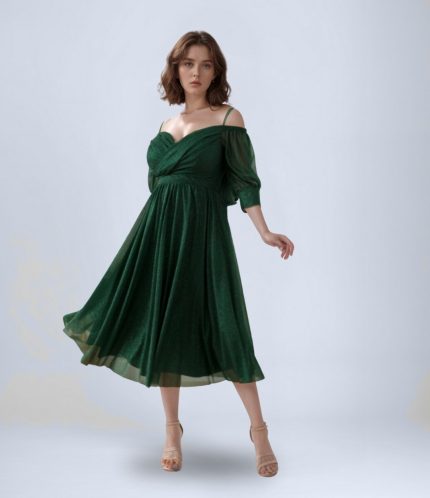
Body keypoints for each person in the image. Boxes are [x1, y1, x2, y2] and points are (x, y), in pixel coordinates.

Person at [62, 30, 294, 478]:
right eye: (188, 63)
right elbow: (159, 187)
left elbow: (245, 180)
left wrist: (264, 231)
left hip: (204, 236)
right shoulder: (165, 127)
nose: (196, 72)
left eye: (206, 64)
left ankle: (259, 430)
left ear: (216, 72)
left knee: (226, 324)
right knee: (163, 324)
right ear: (176, 69)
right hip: (158, 234)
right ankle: (172, 430)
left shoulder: (228, 119)